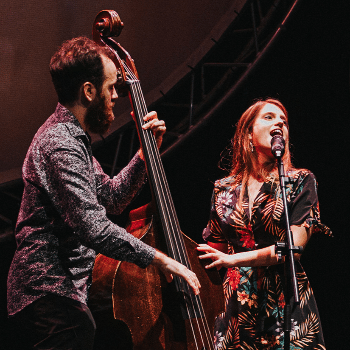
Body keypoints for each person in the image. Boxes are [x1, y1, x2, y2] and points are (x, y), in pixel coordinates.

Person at [7, 36, 200, 350]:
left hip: (61, 298)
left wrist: (145, 154)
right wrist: (163, 260)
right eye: (112, 87)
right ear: (88, 91)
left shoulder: (72, 138)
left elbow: (112, 198)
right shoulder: (60, 144)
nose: (115, 96)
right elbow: (94, 227)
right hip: (48, 295)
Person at [197, 98, 331, 349]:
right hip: (236, 306)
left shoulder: (300, 182)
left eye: (284, 121)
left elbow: (294, 247)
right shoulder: (223, 189)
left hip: (285, 303)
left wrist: (234, 260)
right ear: (248, 133)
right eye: (269, 117)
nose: (280, 121)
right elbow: (213, 254)